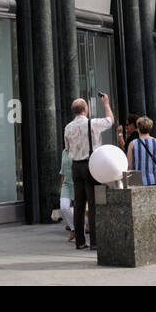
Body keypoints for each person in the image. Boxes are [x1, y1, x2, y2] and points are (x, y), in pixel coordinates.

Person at [64, 93, 114, 250]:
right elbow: (110, 121)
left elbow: (67, 148)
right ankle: (95, 242)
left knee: (78, 205)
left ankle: (80, 241)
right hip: (89, 165)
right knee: (92, 204)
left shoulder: (68, 127)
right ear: (85, 109)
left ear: (74, 111)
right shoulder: (92, 123)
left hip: (75, 166)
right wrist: (105, 103)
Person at [127, 116, 156, 204]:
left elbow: (129, 165)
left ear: (138, 128)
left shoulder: (132, 144)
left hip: (138, 182)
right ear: (150, 128)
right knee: (155, 208)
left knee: (140, 209)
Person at [58, 147, 74, 242]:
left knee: (80, 210)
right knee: (64, 206)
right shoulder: (64, 151)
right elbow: (62, 171)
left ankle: (79, 231)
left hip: (77, 183)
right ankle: (74, 228)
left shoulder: (78, 150)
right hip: (66, 184)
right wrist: (61, 186)